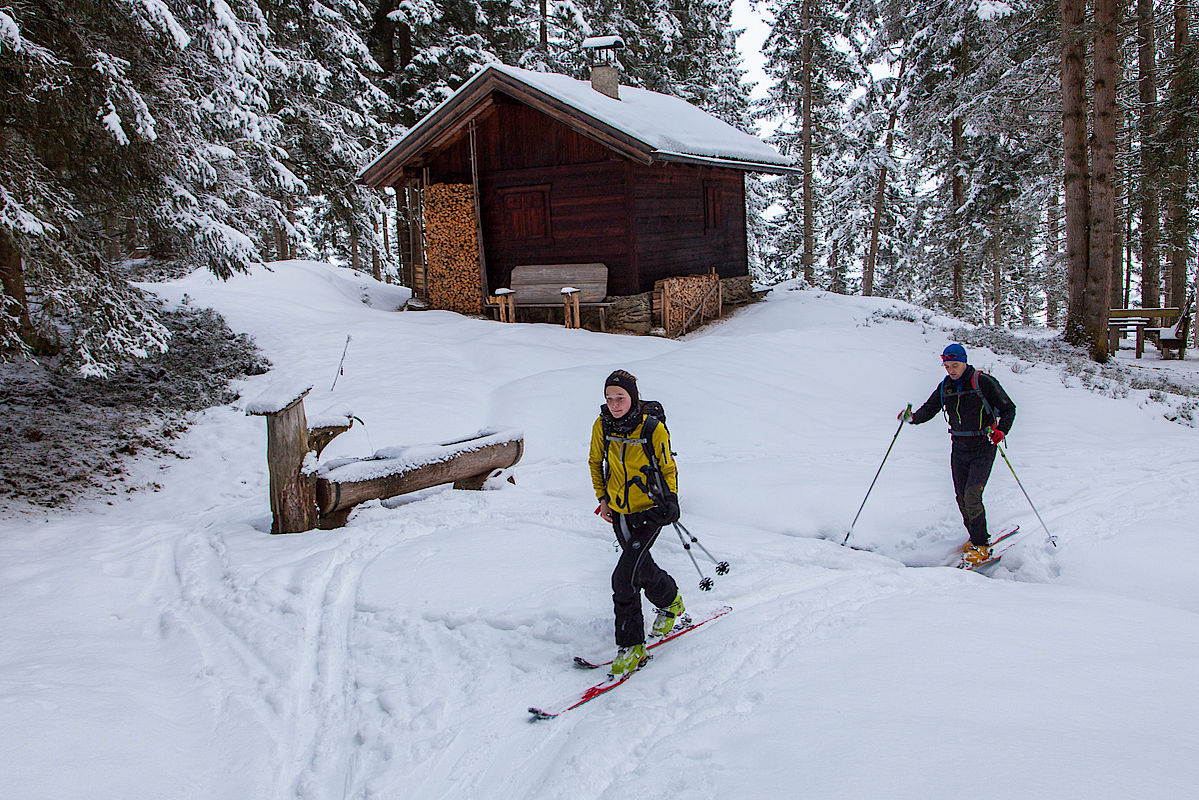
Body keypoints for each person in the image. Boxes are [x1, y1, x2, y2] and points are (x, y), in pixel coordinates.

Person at [589, 369, 685, 676]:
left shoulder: (651, 428)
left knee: (623, 578)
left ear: (633, 397)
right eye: (609, 398)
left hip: (650, 512)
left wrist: (671, 499)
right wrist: (603, 498)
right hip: (620, 511)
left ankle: (631, 647)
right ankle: (672, 603)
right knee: (640, 569)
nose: (615, 404)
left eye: (621, 398)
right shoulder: (602, 425)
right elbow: (595, 461)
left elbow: (667, 466)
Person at [900, 344, 1016, 566]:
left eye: (955, 365)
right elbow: (929, 409)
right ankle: (975, 536)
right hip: (959, 446)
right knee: (961, 497)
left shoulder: (983, 382)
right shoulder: (945, 387)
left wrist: (1002, 431)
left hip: (984, 444)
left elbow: (1009, 408)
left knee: (972, 494)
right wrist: (912, 417)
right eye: (947, 366)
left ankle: (981, 545)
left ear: (964, 362)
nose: (951, 370)